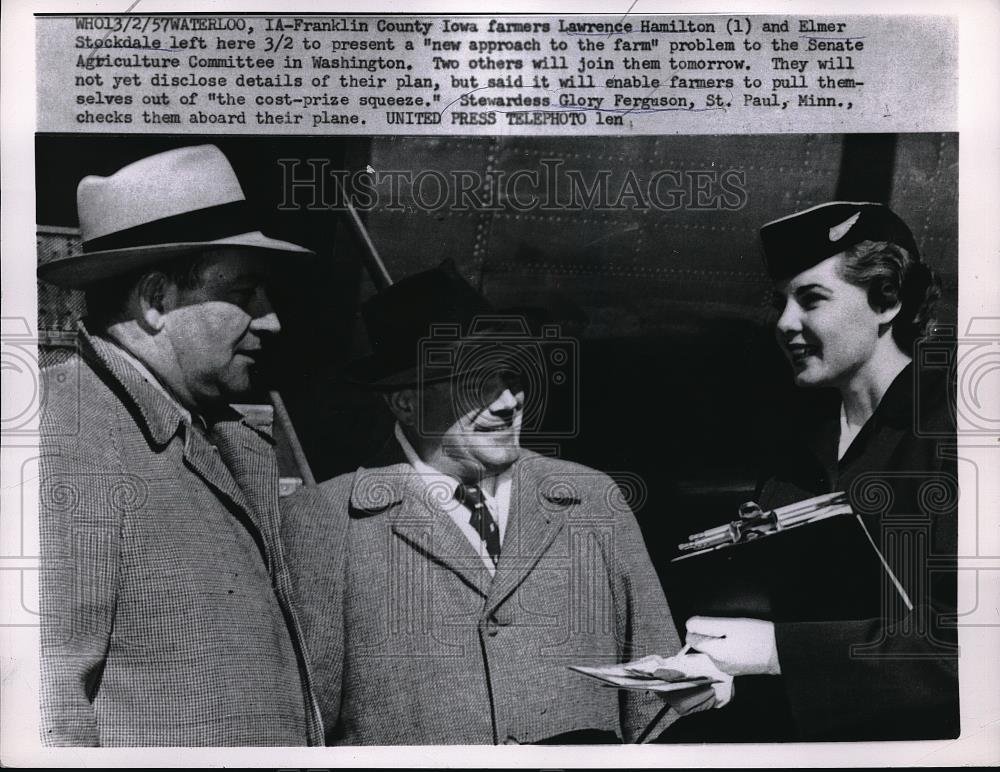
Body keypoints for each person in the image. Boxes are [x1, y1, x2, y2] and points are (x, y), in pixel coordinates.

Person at [281, 261, 730, 745]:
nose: (508, 402)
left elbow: (661, 709)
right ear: (404, 403)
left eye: (510, 375)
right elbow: (302, 725)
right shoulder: (326, 520)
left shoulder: (593, 500)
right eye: (476, 382)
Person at [37, 145, 324, 746]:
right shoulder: (70, 437)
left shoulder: (208, 428)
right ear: (155, 302)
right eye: (246, 293)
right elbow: (46, 708)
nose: (271, 321)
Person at [679, 202, 959, 741]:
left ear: (888, 300)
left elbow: (973, 643)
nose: (783, 324)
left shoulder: (956, 439)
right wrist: (719, 671)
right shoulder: (795, 447)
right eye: (779, 303)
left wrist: (776, 652)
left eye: (810, 298)